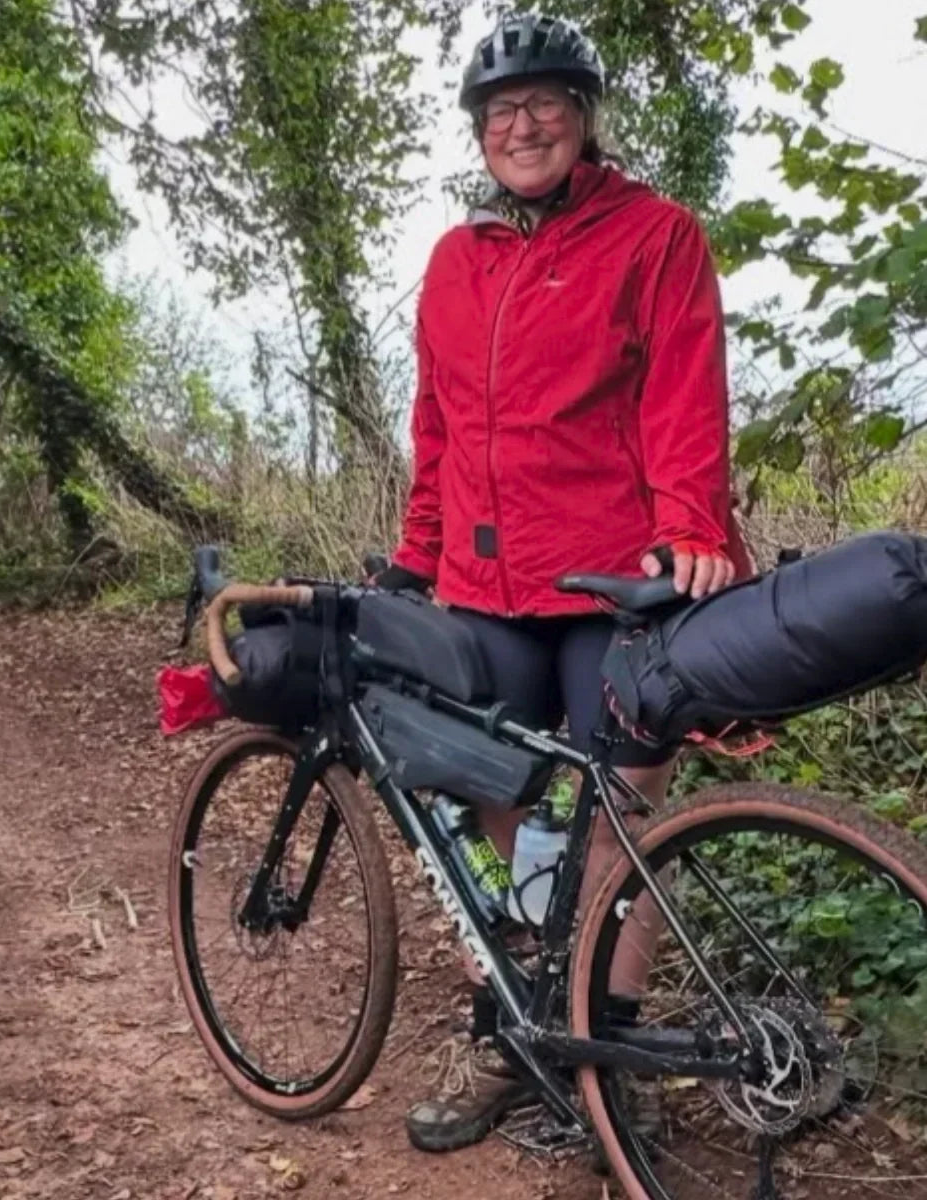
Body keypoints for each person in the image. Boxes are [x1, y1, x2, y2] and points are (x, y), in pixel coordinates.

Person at [375, 12, 754, 1155]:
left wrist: (690, 524)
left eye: (545, 104)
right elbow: (437, 427)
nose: (523, 124)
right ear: (480, 134)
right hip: (484, 590)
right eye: (502, 111)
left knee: (618, 820)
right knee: (476, 792)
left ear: (583, 119)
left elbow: (686, 388)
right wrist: (413, 551)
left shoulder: (654, 235)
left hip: (611, 584)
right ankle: (514, 1028)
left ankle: (607, 1062)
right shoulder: (456, 260)